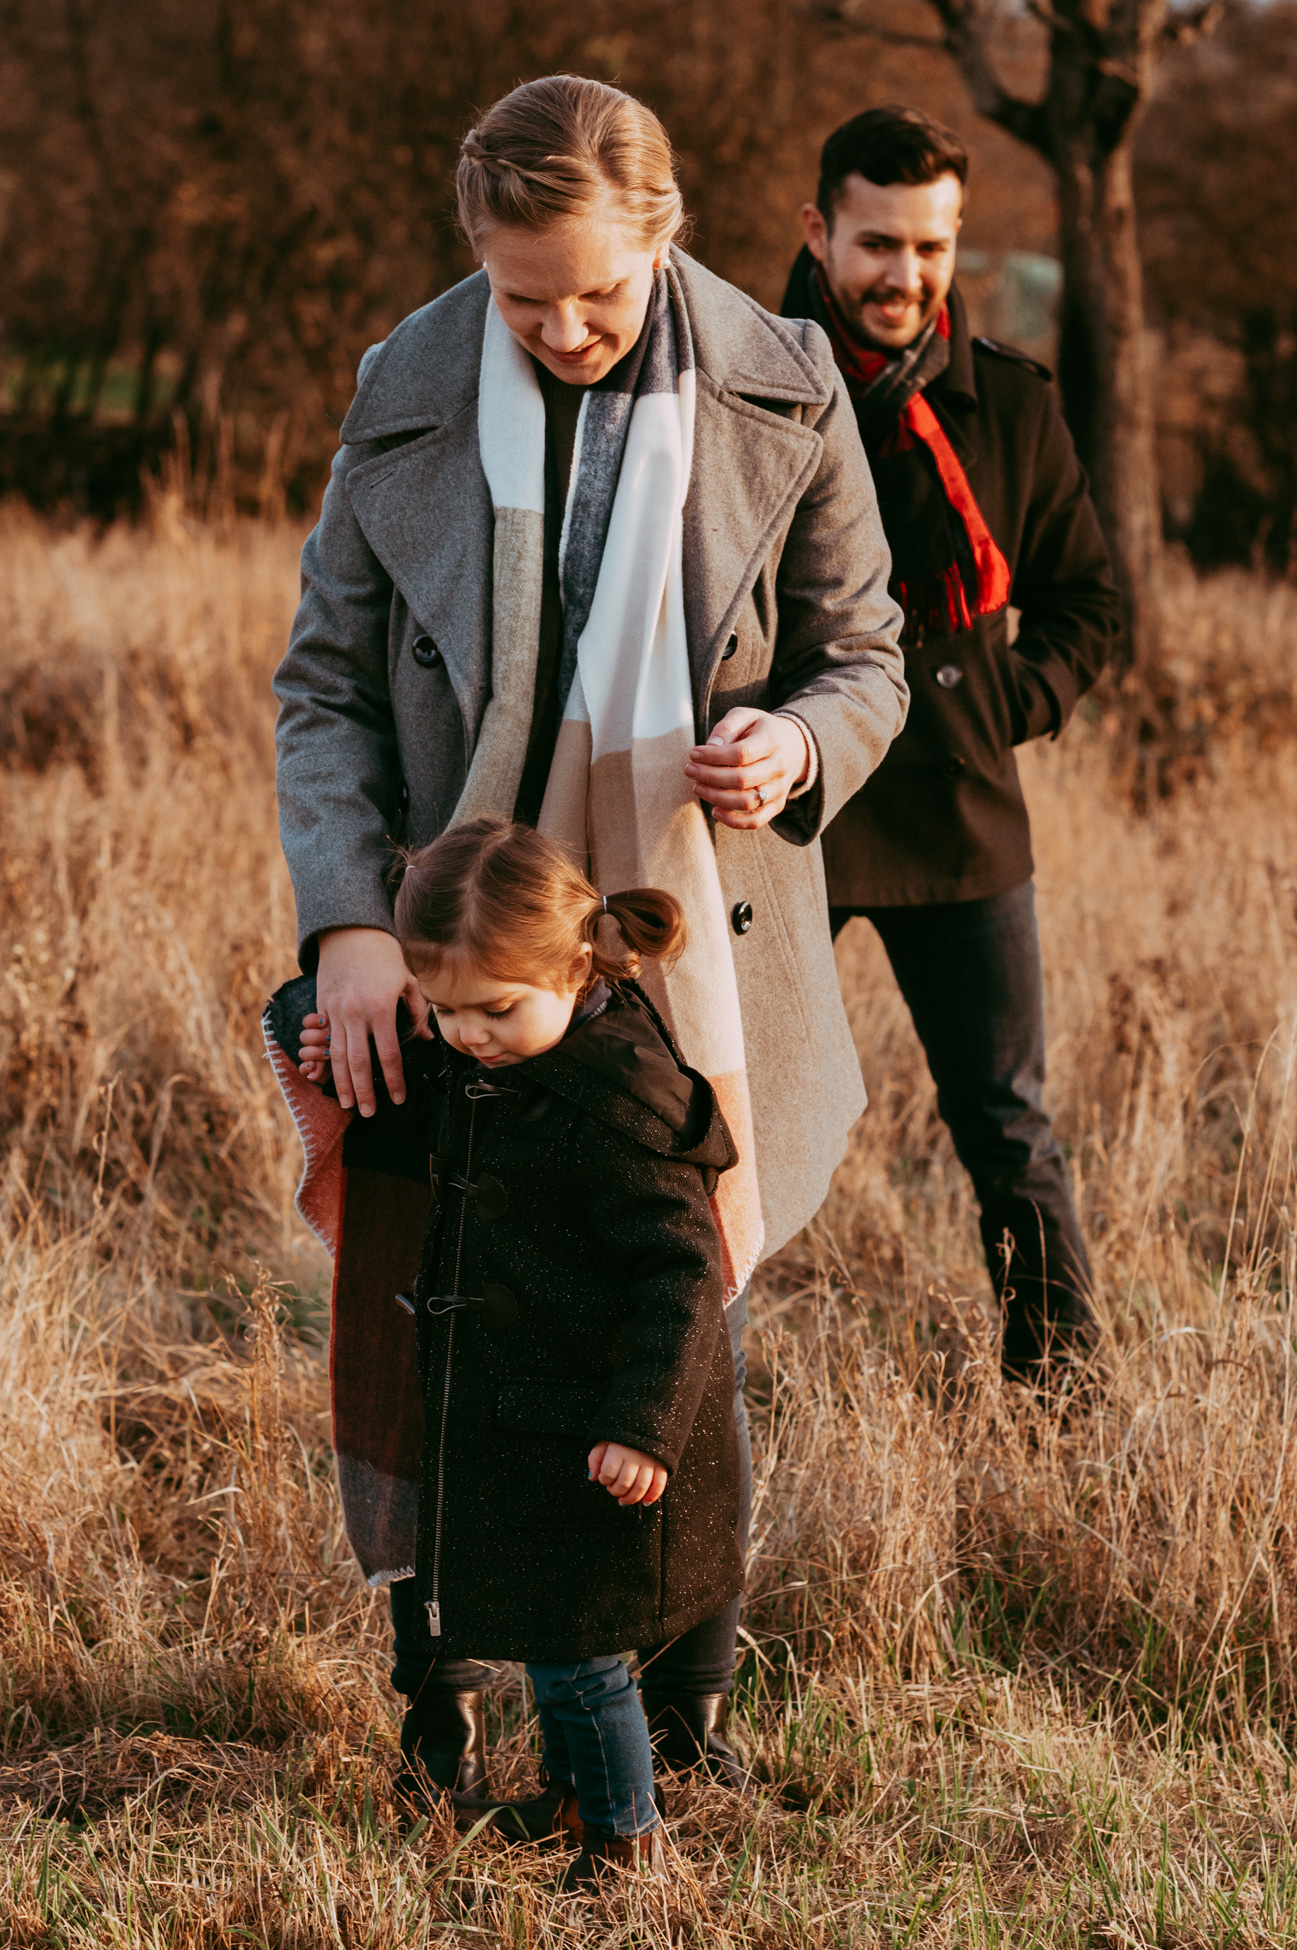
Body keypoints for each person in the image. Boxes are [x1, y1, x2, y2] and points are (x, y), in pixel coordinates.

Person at [270, 76, 906, 1814]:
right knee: (435, 1299)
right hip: (448, 938)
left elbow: (871, 657)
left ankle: (687, 1709)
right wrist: (346, 927)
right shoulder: (405, 385)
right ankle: (438, 1701)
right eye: (518, 292)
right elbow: (322, 688)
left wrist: (796, 744)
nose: (557, 328)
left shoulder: (787, 380)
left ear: (667, 229)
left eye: (597, 295)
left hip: (683, 926)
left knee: (672, 1272)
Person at [298, 818, 742, 1887]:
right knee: (559, 1644)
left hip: (595, 1424)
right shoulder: (507, 1051)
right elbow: (431, 1104)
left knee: (584, 1662)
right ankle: (572, 1803)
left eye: (492, 1010)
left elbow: (684, 1279)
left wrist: (643, 1427)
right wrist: (332, 1042)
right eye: (440, 1010)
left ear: (576, 963)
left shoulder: (619, 1097)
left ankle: (626, 1843)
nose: (465, 1036)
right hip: (533, 1415)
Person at [781, 105, 1122, 1381]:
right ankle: (693, 1409)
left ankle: (1065, 1403)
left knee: (1009, 1131)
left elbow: (1089, 606)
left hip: (963, 813)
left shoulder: (1011, 407)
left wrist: (1002, 706)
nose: (904, 276)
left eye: (931, 248)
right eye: (877, 242)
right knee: (720, 1118)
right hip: (783, 820)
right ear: (819, 231)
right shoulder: (735, 384)